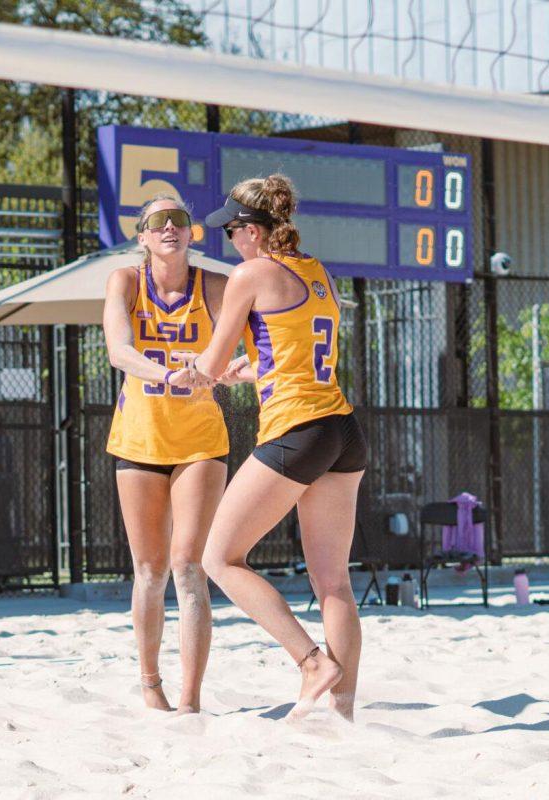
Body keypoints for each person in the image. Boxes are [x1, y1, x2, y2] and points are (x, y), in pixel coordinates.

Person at [193, 176, 367, 722]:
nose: (230, 242)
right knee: (334, 583)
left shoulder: (249, 274)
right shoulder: (315, 269)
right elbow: (295, 346)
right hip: (341, 429)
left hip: (297, 429)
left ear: (252, 230)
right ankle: (342, 714)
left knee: (218, 557)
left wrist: (192, 374)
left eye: (233, 232)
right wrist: (253, 370)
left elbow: (211, 363)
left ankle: (311, 662)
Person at [102, 195, 231, 714]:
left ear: (193, 234)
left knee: (188, 566)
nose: (170, 228)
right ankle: (150, 683)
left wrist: (227, 370)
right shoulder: (125, 282)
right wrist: (169, 373)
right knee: (150, 569)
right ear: (143, 237)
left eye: (179, 220)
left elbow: (236, 350)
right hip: (140, 438)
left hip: (200, 439)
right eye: (158, 222)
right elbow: (119, 351)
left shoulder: (216, 287)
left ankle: (191, 697)